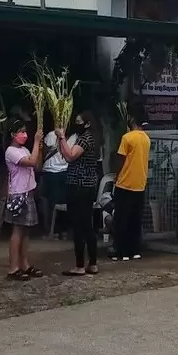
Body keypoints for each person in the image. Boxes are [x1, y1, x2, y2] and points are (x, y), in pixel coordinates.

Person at [58, 111, 101, 277]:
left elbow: (70, 156)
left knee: (79, 226)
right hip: (87, 186)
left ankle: (79, 265)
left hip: (79, 186)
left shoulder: (85, 138)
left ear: (87, 123)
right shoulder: (92, 138)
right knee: (87, 225)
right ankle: (93, 263)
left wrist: (62, 137)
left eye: (79, 121)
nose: (77, 124)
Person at [3, 118, 44, 281]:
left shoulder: (25, 150)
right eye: (21, 132)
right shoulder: (11, 151)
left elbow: (37, 165)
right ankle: (13, 267)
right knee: (18, 231)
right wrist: (36, 143)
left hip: (28, 192)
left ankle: (25, 264)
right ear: (13, 134)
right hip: (18, 194)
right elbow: (31, 162)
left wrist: (39, 148)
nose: (24, 135)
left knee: (26, 231)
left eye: (25, 131)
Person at [112, 111, 151, 261]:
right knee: (135, 219)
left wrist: (116, 175)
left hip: (125, 183)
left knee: (121, 219)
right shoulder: (146, 139)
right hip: (140, 184)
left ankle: (121, 251)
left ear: (133, 120)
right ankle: (134, 251)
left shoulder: (127, 138)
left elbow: (121, 159)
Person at [40, 117, 75, 238]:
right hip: (64, 171)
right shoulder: (74, 137)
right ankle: (60, 230)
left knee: (49, 202)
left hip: (50, 172)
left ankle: (49, 229)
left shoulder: (50, 135)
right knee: (62, 203)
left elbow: (43, 153)